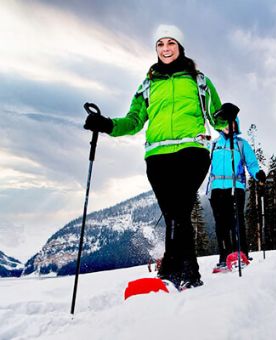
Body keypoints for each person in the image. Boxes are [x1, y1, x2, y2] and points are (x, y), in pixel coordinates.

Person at [83, 24, 238, 290]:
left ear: (180, 47)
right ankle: (171, 269)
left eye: (171, 43)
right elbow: (133, 121)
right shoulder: (147, 85)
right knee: (173, 215)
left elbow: (215, 118)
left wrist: (226, 114)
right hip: (157, 156)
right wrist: (106, 124)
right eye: (160, 44)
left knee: (178, 210)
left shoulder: (199, 80)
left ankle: (188, 273)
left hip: (192, 151)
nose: (165, 48)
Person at [207, 117, 266, 272]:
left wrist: (258, 174)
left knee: (236, 221)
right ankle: (224, 257)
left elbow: (252, 164)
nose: (229, 126)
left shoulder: (241, 144)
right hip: (216, 188)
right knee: (221, 224)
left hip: (236, 187)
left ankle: (241, 254)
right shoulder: (213, 144)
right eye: (226, 123)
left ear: (236, 126)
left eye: (232, 124)